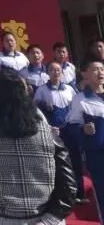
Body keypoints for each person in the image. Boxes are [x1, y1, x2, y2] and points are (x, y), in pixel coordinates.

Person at [0, 68, 74, 225]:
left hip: (4, 219)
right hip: (46, 217)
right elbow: (68, 183)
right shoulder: (46, 130)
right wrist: (51, 220)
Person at [35, 62, 86, 205]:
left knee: (75, 160)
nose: (55, 72)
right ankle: (59, 195)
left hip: (70, 130)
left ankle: (79, 193)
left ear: (62, 73)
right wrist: (48, 123)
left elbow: (78, 109)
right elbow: (36, 113)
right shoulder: (42, 90)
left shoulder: (70, 89)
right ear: (47, 72)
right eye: (52, 69)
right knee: (56, 162)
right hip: (53, 131)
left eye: (58, 70)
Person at [69, 60, 104, 220]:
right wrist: (83, 129)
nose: (101, 72)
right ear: (85, 75)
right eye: (95, 69)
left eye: (102, 69)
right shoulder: (80, 99)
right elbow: (71, 127)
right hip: (97, 156)